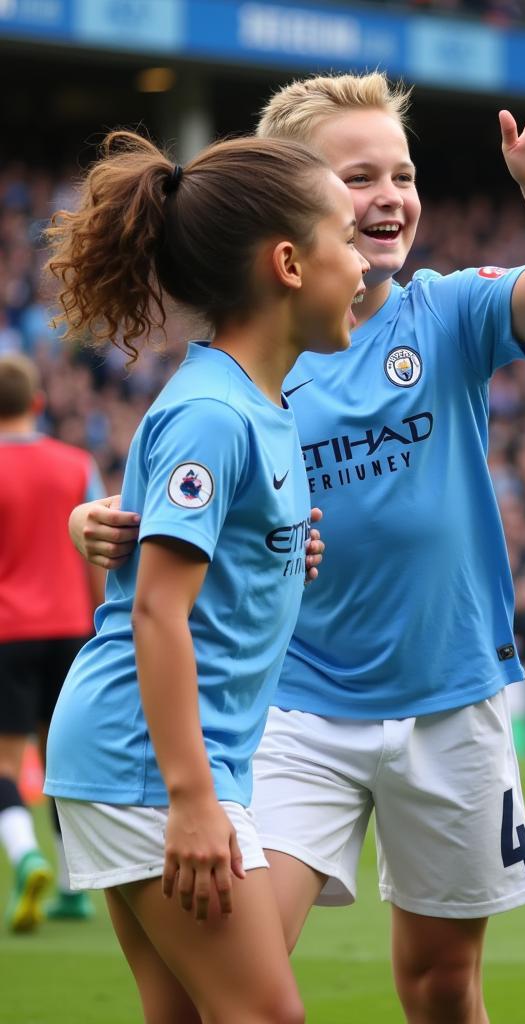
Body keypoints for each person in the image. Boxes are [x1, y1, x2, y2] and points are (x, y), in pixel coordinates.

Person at [70, 73, 525, 1023]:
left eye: (401, 174)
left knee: (445, 982)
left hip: (451, 694)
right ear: (293, 221)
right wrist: (103, 518)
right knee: (237, 971)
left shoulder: (441, 312)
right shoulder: (254, 369)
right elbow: (184, 507)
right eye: (357, 178)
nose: (389, 197)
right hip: (292, 708)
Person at [43, 129, 366, 1024]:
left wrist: (276, 550)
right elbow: (157, 613)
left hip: (154, 760)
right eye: (347, 238)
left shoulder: (256, 407)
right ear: (291, 263)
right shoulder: (215, 415)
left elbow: (190, 549)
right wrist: (191, 800)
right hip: (148, 765)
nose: (367, 265)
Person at [0, 352, 106, 932]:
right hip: (71, 629)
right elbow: (100, 550)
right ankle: (72, 887)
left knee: (6, 763)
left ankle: (25, 855)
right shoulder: (76, 464)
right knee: (61, 759)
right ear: (38, 403)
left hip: (7, 632)